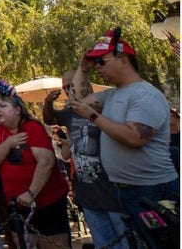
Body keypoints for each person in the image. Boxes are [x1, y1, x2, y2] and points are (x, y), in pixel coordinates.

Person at [72, 30, 178, 249]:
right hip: (127, 190)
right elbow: (76, 100)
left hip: (154, 191)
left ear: (123, 61)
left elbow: (135, 137)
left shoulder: (145, 94)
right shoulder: (112, 94)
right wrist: (82, 68)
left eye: (101, 62)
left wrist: (93, 116)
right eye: (95, 63)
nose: (98, 68)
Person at [42, 69, 128, 249]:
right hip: (88, 193)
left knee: (125, 243)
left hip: (114, 190)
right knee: (103, 243)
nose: (68, 90)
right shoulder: (70, 112)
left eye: (71, 85)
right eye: (65, 87)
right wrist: (48, 103)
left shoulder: (105, 106)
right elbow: (49, 119)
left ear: (86, 84)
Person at [0, 81, 72, 248]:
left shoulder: (32, 127)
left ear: (17, 110)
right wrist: (8, 144)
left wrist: (31, 193)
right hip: (16, 206)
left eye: (3, 105)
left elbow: (46, 162)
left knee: (54, 244)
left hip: (47, 203)